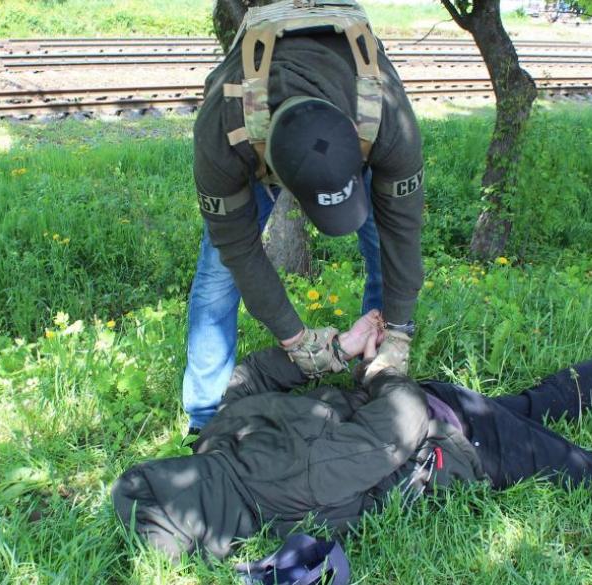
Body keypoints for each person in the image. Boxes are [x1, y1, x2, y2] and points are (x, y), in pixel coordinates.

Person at [112, 319, 592, 561]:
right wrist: (342, 355)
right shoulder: (224, 447)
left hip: (451, 429)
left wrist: (368, 364)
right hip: (447, 415)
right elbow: (253, 378)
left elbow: (394, 423)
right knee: (547, 414)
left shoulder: (278, 479)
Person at [183, 0, 426, 432]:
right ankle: (205, 416)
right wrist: (297, 340)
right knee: (217, 274)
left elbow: (402, 235)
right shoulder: (223, 131)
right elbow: (237, 249)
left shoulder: (387, 119)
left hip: (355, 115)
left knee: (380, 247)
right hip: (256, 132)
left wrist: (400, 332)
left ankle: (376, 374)